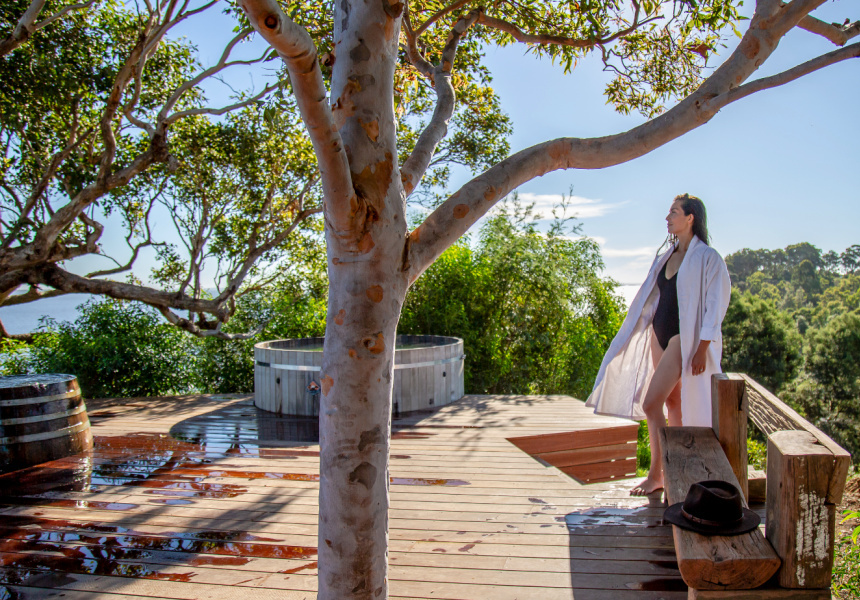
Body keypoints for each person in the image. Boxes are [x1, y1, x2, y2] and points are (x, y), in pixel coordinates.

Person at [585, 194, 731, 496]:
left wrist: (703, 346)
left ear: (690, 217)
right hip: (658, 335)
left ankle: (657, 474)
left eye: (673, 212)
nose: (667, 218)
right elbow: (653, 298)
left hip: (683, 338)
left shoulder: (708, 258)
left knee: (651, 403)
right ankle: (678, 471)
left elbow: (716, 304)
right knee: (672, 403)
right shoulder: (666, 255)